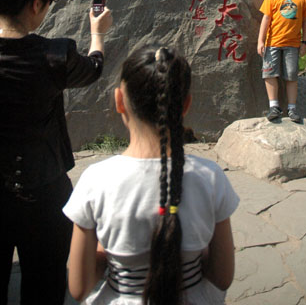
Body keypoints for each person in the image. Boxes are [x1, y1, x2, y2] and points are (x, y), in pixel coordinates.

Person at [63, 45, 239, 305]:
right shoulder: (211, 177)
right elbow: (222, 276)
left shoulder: (95, 180)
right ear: (186, 105)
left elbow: (79, 287)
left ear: (119, 101)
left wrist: (106, 254)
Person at [0, 0, 112, 305]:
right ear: (36, 3)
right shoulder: (54, 56)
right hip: (45, 192)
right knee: (46, 284)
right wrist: (97, 33)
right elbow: (94, 68)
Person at [257, 0, 306, 123]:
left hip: (293, 44)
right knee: (269, 74)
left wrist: (305, 42)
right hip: (272, 43)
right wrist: (260, 41)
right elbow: (265, 19)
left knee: (291, 76)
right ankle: (274, 106)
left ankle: (292, 108)